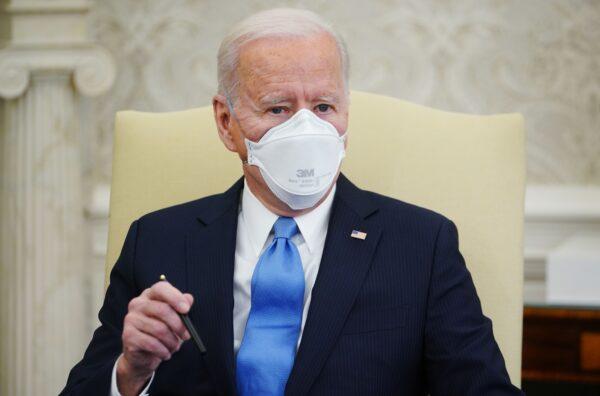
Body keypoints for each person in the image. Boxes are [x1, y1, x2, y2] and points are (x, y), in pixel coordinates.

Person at [61, 8, 524, 396]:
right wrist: (130, 374)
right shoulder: (157, 240)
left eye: (324, 107)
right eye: (278, 109)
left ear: (345, 112)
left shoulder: (420, 245)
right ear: (227, 123)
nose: (307, 131)